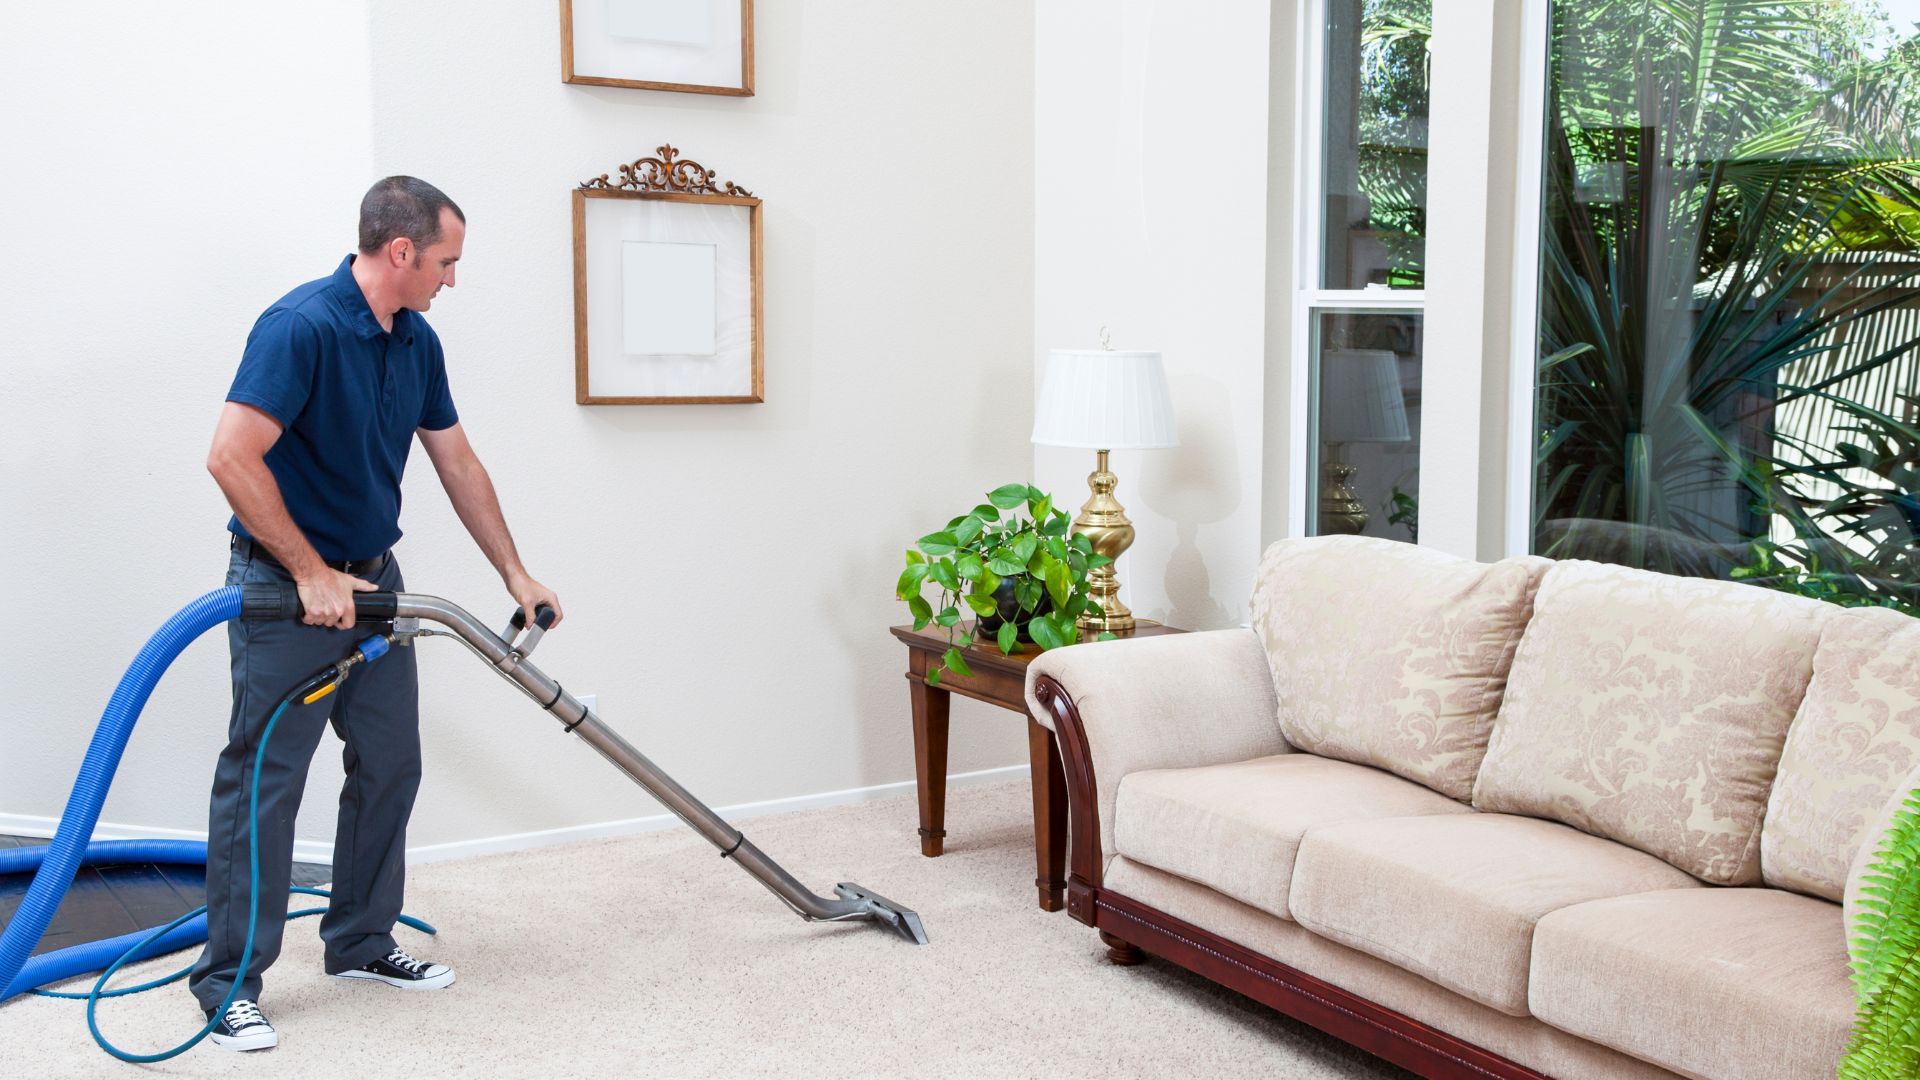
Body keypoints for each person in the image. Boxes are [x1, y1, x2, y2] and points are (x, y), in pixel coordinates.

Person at [192, 176, 561, 1051]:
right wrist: (310, 571)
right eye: (446, 262)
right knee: (265, 785)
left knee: (391, 762)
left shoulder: (416, 342)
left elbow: (457, 462)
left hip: (376, 587)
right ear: (401, 252)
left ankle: (359, 940)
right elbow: (230, 457)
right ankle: (227, 983)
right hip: (290, 594)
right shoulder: (301, 327)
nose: (451, 280)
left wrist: (514, 573)